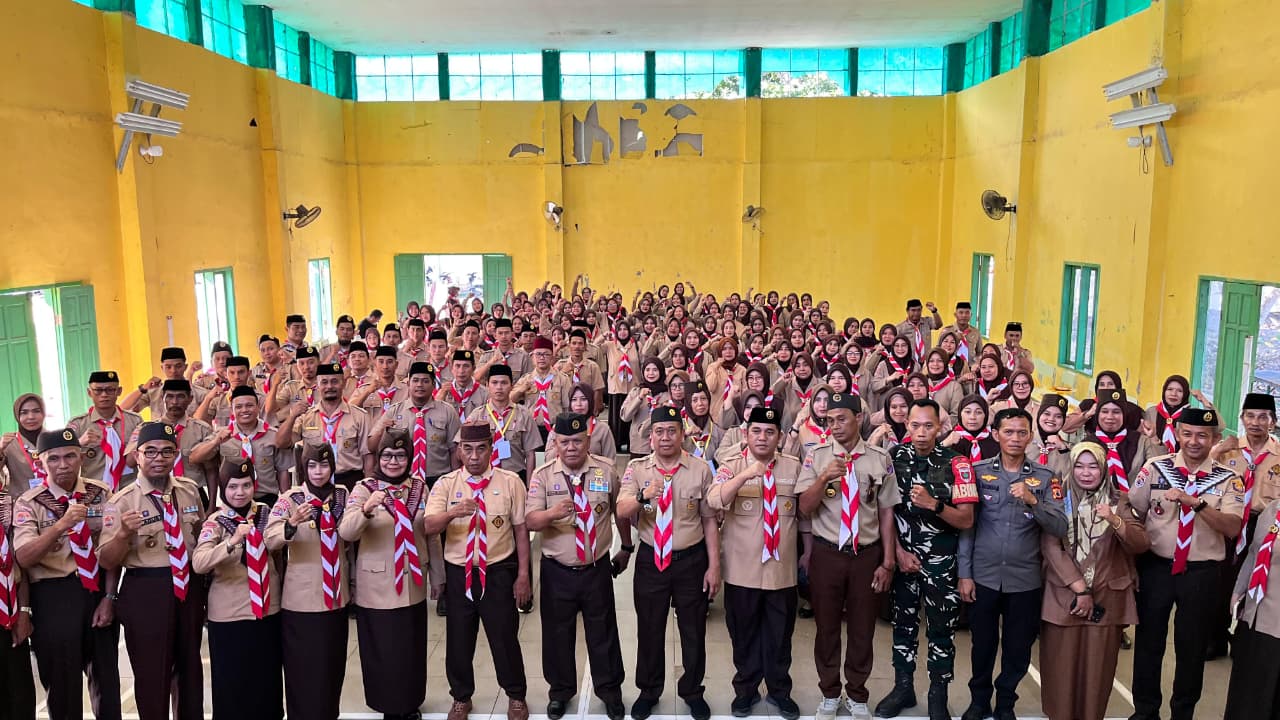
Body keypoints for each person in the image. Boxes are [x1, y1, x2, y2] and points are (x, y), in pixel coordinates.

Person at [1127, 407, 1245, 720]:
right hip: (1156, 568)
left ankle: (1183, 713)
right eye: (1188, 434)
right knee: (1149, 643)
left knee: (1192, 648)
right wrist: (1131, 565)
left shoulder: (1229, 479)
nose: (1194, 441)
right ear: (1178, 434)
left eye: (1203, 436)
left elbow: (1233, 527)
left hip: (1201, 574)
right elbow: (1133, 512)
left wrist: (1198, 505)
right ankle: (1145, 711)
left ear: (1215, 439)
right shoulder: (1156, 468)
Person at [957, 408, 1067, 720]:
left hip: (1025, 580)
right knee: (982, 646)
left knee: (1018, 649)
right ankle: (979, 701)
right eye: (1008, 432)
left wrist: (1034, 500)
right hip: (984, 576)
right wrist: (964, 574)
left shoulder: (1046, 477)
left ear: (1030, 436)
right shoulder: (978, 472)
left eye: (1022, 432)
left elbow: (1060, 526)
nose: (1015, 438)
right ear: (996, 435)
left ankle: (1005, 704)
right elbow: (967, 528)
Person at [795, 394, 899, 720]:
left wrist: (888, 561)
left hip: (866, 555)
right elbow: (804, 508)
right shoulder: (817, 456)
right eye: (829, 420)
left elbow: (886, 512)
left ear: (859, 418)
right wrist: (824, 478)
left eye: (842, 419)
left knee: (862, 628)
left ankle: (857, 693)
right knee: (826, 628)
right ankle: (829, 693)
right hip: (828, 553)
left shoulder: (879, 458)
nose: (835, 426)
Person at [98, 422, 208, 720]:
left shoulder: (189, 491)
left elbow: (200, 538)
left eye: (166, 451)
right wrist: (123, 534)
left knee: (190, 670)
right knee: (152, 674)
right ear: (137, 456)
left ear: (175, 455)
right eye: (150, 452)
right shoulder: (121, 501)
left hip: (188, 586)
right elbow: (106, 561)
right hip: (146, 591)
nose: (159, 458)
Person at [617, 406, 720, 720]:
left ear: (682, 434)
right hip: (651, 559)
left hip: (691, 560)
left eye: (671, 431)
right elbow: (621, 510)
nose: (665, 437)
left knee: (693, 631)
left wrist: (714, 566)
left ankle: (692, 691)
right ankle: (649, 691)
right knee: (649, 629)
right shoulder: (637, 469)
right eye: (659, 432)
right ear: (650, 437)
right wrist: (643, 496)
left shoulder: (700, 469)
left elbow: (709, 520)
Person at [876, 398, 977, 720]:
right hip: (903, 562)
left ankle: (938, 694)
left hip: (942, 565)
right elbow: (885, 512)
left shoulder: (958, 463)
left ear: (940, 427)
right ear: (906, 425)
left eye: (928, 426)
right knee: (902, 627)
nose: (921, 432)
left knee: (941, 632)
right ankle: (903, 688)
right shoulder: (893, 458)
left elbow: (967, 520)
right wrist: (897, 553)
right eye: (915, 425)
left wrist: (935, 504)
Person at [424, 423, 531, 720]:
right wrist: (452, 513)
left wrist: (523, 575)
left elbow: (521, 531)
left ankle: (516, 695)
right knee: (459, 640)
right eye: (467, 449)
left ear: (491, 449)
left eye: (481, 449)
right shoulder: (446, 484)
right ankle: (461, 697)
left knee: (504, 637)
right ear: (459, 451)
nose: (474, 457)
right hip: (460, 573)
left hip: (498, 570)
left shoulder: (510, 482)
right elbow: (428, 526)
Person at [525, 414, 629, 720]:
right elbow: (530, 520)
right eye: (565, 442)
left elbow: (620, 511)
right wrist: (551, 514)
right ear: (555, 443)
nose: (571, 447)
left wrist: (626, 547)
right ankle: (560, 692)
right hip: (557, 571)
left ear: (588, 440)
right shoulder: (543, 476)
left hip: (596, 569)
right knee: (557, 635)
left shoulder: (606, 470)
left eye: (577, 441)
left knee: (603, 633)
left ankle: (610, 691)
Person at [13, 428, 120, 720]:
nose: (63, 465)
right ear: (41, 462)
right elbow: (23, 557)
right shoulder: (29, 502)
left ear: (81, 457)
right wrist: (61, 525)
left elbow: (113, 549)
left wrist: (109, 597)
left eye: (70, 456)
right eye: (54, 458)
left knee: (107, 683)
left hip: (97, 590)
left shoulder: (101, 493)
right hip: (54, 596)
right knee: (62, 686)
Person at [705, 406, 805, 720]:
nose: (763, 437)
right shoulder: (732, 464)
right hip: (742, 571)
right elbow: (714, 499)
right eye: (757, 431)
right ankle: (745, 692)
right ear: (746, 435)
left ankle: (779, 691)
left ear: (780, 437)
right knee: (744, 636)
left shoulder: (793, 466)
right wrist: (746, 474)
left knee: (780, 637)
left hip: (781, 572)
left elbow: (805, 515)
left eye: (770, 432)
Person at [339, 429, 444, 720]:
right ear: (378, 458)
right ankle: (388, 706)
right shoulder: (364, 489)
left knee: (411, 647)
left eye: (400, 456)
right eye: (387, 455)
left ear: (409, 458)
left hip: (413, 581)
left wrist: (438, 575)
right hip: (377, 585)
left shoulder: (419, 488)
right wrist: (366, 509)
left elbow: (431, 535)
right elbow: (346, 532)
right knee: (383, 650)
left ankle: (410, 702)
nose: (393, 462)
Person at [1039, 442, 1149, 720]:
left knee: (1097, 675)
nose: (1086, 473)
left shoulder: (1119, 501)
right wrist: (1080, 588)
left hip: (1106, 599)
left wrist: (1115, 520)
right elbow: (1051, 547)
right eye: (1079, 466)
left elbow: (1140, 543)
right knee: (1059, 671)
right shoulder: (1057, 498)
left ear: (1104, 469)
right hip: (1063, 597)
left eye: (1093, 466)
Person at [192, 460, 283, 720]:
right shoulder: (216, 522)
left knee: (267, 684)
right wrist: (231, 542)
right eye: (232, 487)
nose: (240, 492)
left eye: (246, 485)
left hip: (267, 611)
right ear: (223, 489)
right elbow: (199, 563)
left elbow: (277, 556)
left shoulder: (266, 512)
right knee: (233, 687)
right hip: (230, 615)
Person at [265, 443, 350, 720]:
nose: (318, 472)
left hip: (336, 595)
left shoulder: (342, 494)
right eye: (312, 466)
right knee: (303, 669)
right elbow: (270, 538)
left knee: (332, 667)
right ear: (303, 469)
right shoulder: (291, 499)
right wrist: (290, 524)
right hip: (302, 601)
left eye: (324, 465)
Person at [189, 386, 293, 506]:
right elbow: (194, 458)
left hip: (266, 499)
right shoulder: (221, 435)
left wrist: (286, 502)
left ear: (258, 407)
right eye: (238, 407)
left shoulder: (273, 435)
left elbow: (282, 471)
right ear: (232, 410)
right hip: (232, 501)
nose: (244, 410)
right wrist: (215, 442)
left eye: (249, 405)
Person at [1227, 492, 1280, 720]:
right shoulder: (1272, 510)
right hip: (1253, 617)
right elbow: (1254, 553)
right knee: (1246, 693)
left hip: (1276, 624)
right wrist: (1238, 590)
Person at [278, 361, 374, 488]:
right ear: (317, 386)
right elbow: (282, 443)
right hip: (315, 481)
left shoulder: (359, 416)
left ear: (343, 384)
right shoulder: (306, 416)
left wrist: (367, 488)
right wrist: (291, 417)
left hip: (349, 481)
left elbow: (367, 456)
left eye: (335, 381)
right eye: (324, 382)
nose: (329, 386)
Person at [68, 371, 144, 492]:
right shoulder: (78, 424)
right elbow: (64, 456)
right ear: (89, 392)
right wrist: (79, 443)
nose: (104, 395)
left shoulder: (135, 421)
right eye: (98, 390)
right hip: (93, 492)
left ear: (119, 391)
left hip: (128, 489)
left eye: (110, 390)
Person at [0, 473, 36, 720]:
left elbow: (20, 567)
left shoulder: (11, 509)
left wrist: (23, 613)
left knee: (19, 696)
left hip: (9, 616)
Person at [470, 364, 540, 481]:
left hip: (516, 476)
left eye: (504, 383)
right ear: (487, 385)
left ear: (511, 386)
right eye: (494, 383)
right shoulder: (477, 415)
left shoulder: (524, 414)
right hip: (484, 477)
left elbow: (530, 453)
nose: (499, 387)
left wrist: (529, 485)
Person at [121, 346, 207, 419]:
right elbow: (123, 409)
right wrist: (143, 388)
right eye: (168, 367)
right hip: (159, 433)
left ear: (185, 367)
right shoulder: (154, 392)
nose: (173, 371)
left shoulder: (199, 393)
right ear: (162, 368)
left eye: (178, 366)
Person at [544, 383, 617, 462]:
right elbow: (548, 459)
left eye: (584, 399)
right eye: (574, 399)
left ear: (591, 401)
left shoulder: (602, 429)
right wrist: (561, 443)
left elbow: (611, 462)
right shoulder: (558, 427)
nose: (579, 404)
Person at [1, 394, 47, 497]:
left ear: (43, 413)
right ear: (17, 416)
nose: (31, 417)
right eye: (24, 413)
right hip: (20, 501)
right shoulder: (8, 443)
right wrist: (0, 449)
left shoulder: (54, 439)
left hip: (54, 501)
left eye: (36, 411)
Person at [437, 350, 487, 422]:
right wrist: (441, 397)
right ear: (451, 368)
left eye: (466, 366)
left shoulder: (484, 394)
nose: (461, 371)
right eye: (457, 366)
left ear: (473, 369)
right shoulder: (444, 391)